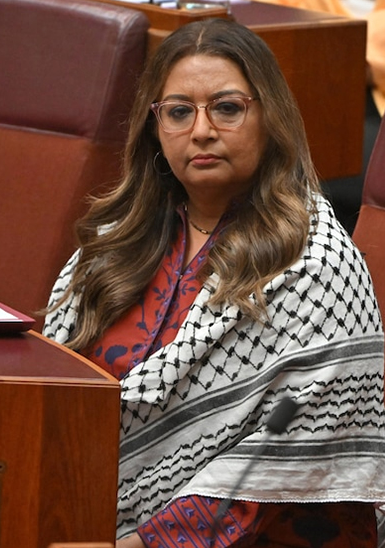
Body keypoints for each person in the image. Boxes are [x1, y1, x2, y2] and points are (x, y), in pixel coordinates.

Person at [43, 18, 385, 547]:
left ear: (269, 118)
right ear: (155, 128)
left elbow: (282, 466)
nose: (201, 130)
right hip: (80, 514)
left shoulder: (316, 262)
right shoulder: (116, 240)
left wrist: (138, 545)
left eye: (227, 108)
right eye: (179, 112)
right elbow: (53, 382)